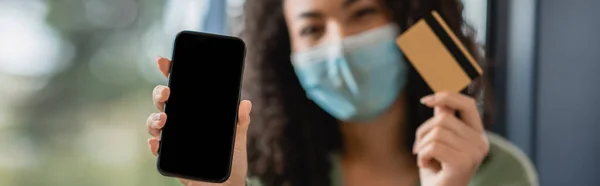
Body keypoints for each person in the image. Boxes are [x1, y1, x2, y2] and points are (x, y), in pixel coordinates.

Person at [145, 0, 538, 185]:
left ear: (410, 21)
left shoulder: (499, 173)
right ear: (286, 54)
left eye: (363, 13)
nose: (340, 43)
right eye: (312, 30)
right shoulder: (259, 176)